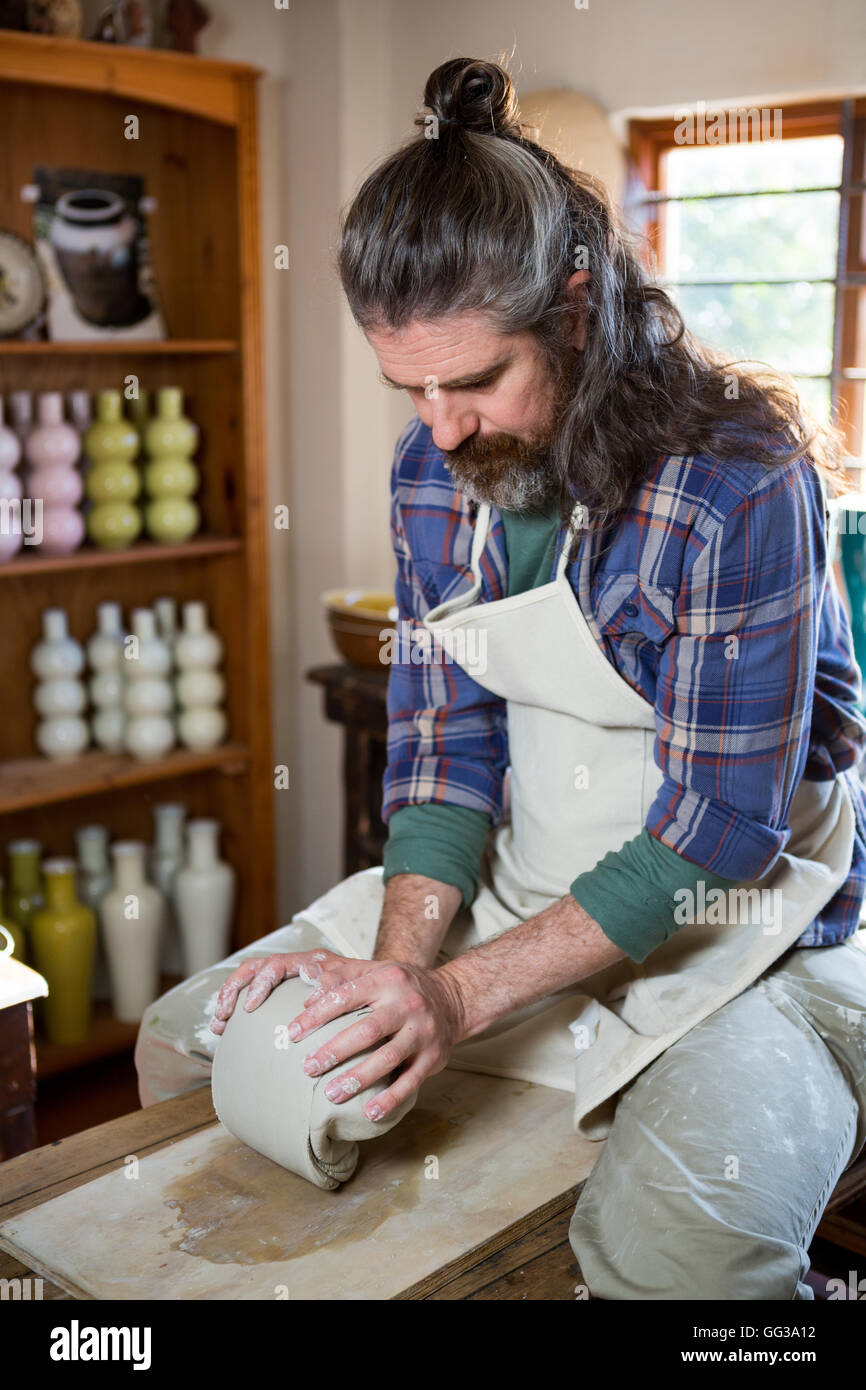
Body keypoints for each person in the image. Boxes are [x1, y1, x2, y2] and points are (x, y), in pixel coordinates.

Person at [136, 57, 866, 1300]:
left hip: (749, 919)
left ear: (576, 309)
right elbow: (441, 752)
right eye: (406, 386)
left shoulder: (734, 484)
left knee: (681, 1266)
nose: (438, 427)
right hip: (533, 869)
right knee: (186, 1046)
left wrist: (450, 999)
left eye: (472, 380)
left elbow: (717, 832)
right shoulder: (434, 478)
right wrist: (395, 971)